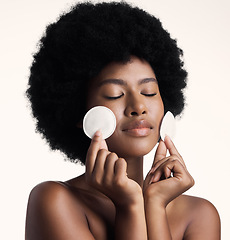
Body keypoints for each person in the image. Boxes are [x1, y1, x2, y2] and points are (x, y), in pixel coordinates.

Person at [25, 2, 220, 239]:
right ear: (78, 111)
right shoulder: (54, 200)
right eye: (114, 95)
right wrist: (129, 207)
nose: (138, 107)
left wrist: (155, 205)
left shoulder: (200, 215)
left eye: (149, 92)